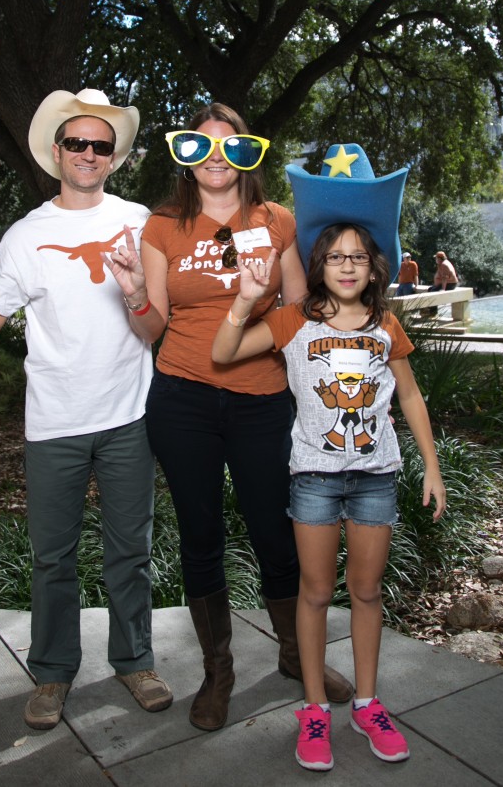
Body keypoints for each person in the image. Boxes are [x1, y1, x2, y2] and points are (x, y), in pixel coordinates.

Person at [104, 103, 354, 733]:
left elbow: (301, 311)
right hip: (182, 399)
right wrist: (134, 291)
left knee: (276, 530)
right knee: (200, 536)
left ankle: (298, 655)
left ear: (250, 155)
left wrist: (252, 319)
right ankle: (218, 673)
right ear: (185, 156)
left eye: (231, 146)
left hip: (262, 400)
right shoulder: (163, 227)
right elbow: (152, 327)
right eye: (200, 146)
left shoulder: (277, 222)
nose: (216, 158)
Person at [0, 88, 173, 731]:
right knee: (53, 557)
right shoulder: (28, 235)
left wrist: (134, 293)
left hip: (128, 416)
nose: (88, 153)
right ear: (57, 151)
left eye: (101, 145)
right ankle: (51, 673)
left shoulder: (140, 222)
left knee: (131, 549)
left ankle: (135, 659)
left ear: (114, 157)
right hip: (54, 422)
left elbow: (152, 330)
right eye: (77, 142)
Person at [211, 221, 446, 771]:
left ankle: (367, 704)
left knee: (365, 592)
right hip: (314, 478)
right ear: (319, 266)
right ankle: (314, 710)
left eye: (358, 257)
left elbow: (409, 395)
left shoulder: (386, 323)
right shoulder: (296, 319)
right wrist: (245, 301)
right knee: (314, 594)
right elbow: (224, 352)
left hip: (375, 476)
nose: (347, 266)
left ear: (373, 268)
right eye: (336, 257)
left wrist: (431, 468)